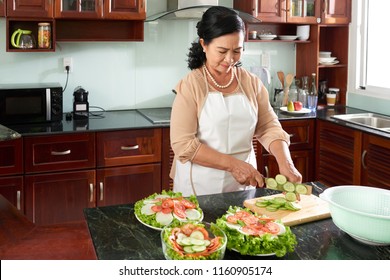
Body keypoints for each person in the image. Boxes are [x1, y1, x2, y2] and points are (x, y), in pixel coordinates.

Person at [170, 6, 302, 196]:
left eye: (237, 51)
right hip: (197, 187)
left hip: (243, 184)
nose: (229, 59)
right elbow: (183, 144)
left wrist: (286, 163)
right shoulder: (191, 86)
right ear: (204, 45)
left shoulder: (251, 83)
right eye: (222, 51)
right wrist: (233, 166)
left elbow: (268, 126)